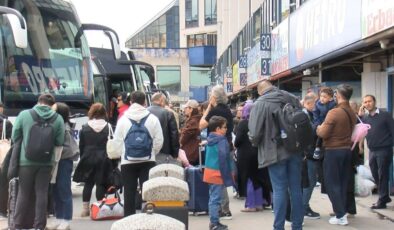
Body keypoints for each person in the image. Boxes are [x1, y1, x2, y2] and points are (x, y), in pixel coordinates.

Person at [248, 80, 303, 230]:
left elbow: (254, 134)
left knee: (279, 190)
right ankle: (297, 226)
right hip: (295, 150)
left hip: (274, 152)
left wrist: (254, 141)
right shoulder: (291, 97)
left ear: (260, 91)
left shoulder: (260, 103)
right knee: (296, 189)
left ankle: (278, 227)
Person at [12, 94, 65, 230]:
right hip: (46, 162)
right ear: (52, 104)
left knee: (23, 193)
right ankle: (39, 226)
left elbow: (15, 135)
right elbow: (60, 141)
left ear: (38, 102)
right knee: (42, 193)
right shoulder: (58, 118)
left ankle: (17, 225)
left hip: (26, 161)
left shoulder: (24, 114)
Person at [113, 91, 163, 216]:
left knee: (129, 192)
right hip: (148, 161)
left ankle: (129, 220)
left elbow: (117, 141)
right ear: (144, 102)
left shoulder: (123, 119)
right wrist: (152, 152)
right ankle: (148, 217)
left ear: (130, 102)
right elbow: (159, 140)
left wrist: (123, 154)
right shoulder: (152, 119)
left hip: (127, 161)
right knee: (148, 192)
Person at [317, 84, 356, 225]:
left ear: (338, 96)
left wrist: (318, 128)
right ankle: (342, 212)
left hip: (333, 150)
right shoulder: (351, 111)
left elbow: (323, 133)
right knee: (343, 182)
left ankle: (340, 215)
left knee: (332, 182)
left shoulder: (334, 112)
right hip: (347, 150)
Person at [200, 85, 234, 220]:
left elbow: (201, 124)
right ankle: (224, 208)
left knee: (218, 178)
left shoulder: (215, 110)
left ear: (214, 97)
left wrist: (209, 106)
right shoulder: (227, 109)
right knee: (223, 176)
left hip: (217, 147)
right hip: (227, 144)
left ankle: (223, 210)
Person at [73, 103, 112, 217]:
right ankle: (99, 207)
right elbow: (111, 143)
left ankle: (85, 209)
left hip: (88, 157)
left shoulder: (85, 127)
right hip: (103, 157)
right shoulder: (108, 126)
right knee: (100, 183)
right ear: (103, 113)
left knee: (88, 183)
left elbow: (81, 145)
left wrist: (83, 156)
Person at [359, 95, 394, 209]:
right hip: (372, 150)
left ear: (374, 102)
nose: (367, 104)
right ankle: (384, 197)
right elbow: (361, 131)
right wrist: (359, 115)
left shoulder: (385, 115)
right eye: (365, 102)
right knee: (375, 174)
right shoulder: (365, 118)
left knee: (382, 174)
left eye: (369, 101)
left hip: (384, 149)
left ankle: (382, 201)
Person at [48, 102, 78, 230]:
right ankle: (59, 218)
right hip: (58, 160)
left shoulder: (64, 128)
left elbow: (66, 148)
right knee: (55, 189)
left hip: (64, 160)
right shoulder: (60, 125)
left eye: (53, 110)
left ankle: (66, 219)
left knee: (63, 188)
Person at [234, 101, 267, 212]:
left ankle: (250, 205)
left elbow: (237, 141)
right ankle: (259, 203)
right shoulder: (260, 122)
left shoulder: (243, 124)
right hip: (258, 153)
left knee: (248, 179)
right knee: (257, 178)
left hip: (245, 155)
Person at [203, 116, 234, 230]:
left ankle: (215, 221)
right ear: (218, 129)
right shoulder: (221, 140)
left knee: (213, 198)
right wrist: (228, 174)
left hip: (209, 172)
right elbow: (223, 159)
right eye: (224, 127)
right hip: (218, 173)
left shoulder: (210, 139)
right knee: (216, 199)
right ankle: (214, 223)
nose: (226, 129)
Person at [301, 93, 321, 220]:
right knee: (309, 182)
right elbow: (309, 134)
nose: (317, 106)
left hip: (308, 153)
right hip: (308, 154)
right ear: (309, 104)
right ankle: (304, 208)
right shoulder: (304, 116)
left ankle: (304, 206)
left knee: (310, 181)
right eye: (316, 103)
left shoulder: (309, 115)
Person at [148, 93, 179, 158]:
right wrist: (175, 154)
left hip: (147, 152)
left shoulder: (145, 112)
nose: (165, 104)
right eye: (165, 102)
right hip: (165, 152)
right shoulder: (168, 113)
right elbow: (174, 135)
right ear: (161, 100)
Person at [312, 87, 336, 160]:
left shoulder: (333, 104)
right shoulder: (317, 103)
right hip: (320, 122)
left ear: (330, 98)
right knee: (318, 133)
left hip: (329, 122)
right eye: (321, 96)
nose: (322, 98)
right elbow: (315, 114)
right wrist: (318, 124)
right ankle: (317, 148)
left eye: (325, 97)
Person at [0, 103, 13, 219]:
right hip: (3, 157)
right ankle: (2, 211)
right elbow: (13, 141)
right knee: (3, 184)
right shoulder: (6, 123)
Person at [180, 99, 202, 166]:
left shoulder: (193, 122)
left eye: (186, 108)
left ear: (191, 109)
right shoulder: (195, 120)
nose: (184, 110)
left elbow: (184, 138)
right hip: (192, 152)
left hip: (189, 153)